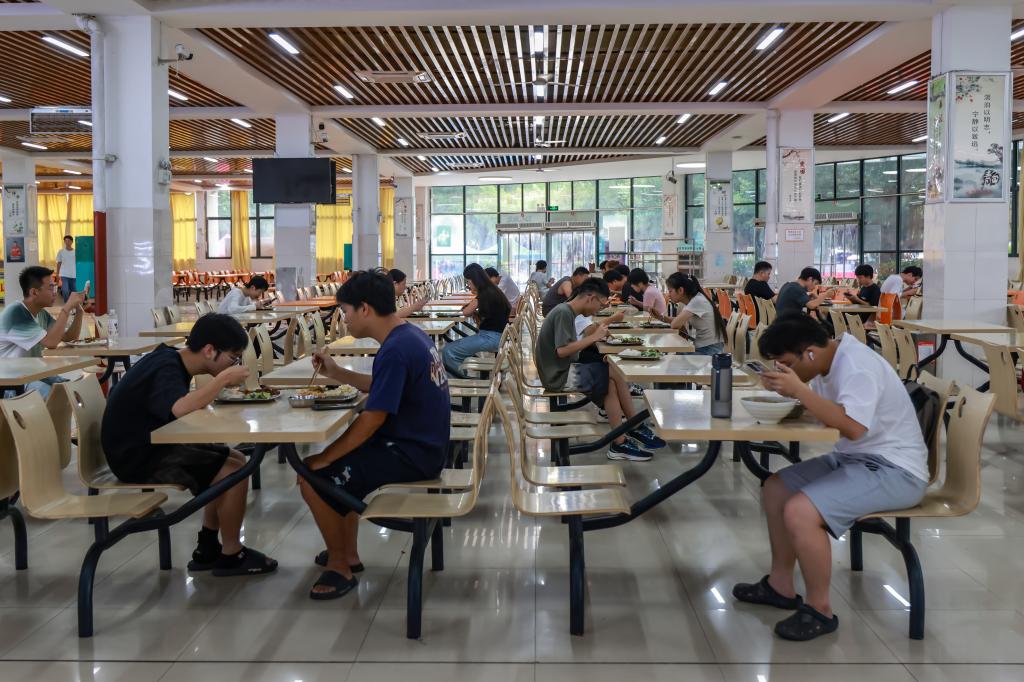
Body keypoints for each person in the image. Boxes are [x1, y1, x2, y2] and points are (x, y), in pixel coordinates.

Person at [733, 314, 928, 642]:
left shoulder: (857, 367)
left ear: (809, 353)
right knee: (776, 488)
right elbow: (831, 415)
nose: (784, 370)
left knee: (800, 511)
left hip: (895, 470)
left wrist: (800, 391)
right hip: (855, 458)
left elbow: (852, 427)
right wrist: (793, 393)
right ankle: (780, 585)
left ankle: (819, 609)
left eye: (786, 364)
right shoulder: (828, 363)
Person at [298, 270, 450, 599]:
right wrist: (338, 373)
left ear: (364, 308)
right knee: (336, 469)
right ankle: (348, 552)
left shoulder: (395, 349)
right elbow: (385, 386)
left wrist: (324, 457)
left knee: (312, 477)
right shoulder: (408, 335)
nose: (344, 319)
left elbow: (371, 420)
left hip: (413, 453)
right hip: (424, 444)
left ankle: (339, 565)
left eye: (346, 311)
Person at [102, 314, 278, 577]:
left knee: (236, 460)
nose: (234, 365)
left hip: (148, 446)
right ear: (209, 350)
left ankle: (207, 547)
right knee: (233, 472)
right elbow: (179, 408)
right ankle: (232, 553)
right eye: (232, 358)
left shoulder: (170, 359)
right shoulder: (167, 367)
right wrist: (221, 380)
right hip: (136, 458)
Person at [534, 277, 666, 462]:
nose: (598, 310)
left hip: (560, 371)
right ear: (590, 298)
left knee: (610, 381)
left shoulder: (567, 311)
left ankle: (620, 440)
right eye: (600, 304)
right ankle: (633, 426)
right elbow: (562, 351)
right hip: (557, 376)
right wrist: (594, 337)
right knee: (613, 371)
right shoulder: (564, 312)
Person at [443, 263, 511, 378]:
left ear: (475, 280)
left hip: (491, 338)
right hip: (498, 336)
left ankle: (461, 381)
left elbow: (466, 312)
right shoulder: (493, 290)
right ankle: (461, 376)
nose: (468, 286)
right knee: (454, 350)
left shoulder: (484, 294)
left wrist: (474, 297)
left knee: (448, 351)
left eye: (469, 282)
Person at [649, 273, 725, 355]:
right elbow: (678, 321)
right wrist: (661, 317)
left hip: (710, 350)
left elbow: (675, 324)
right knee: (673, 357)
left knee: (671, 358)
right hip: (706, 347)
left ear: (680, 290)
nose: (668, 295)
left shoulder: (696, 301)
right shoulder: (694, 300)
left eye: (670, 291)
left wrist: (676, 323)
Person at [55, 235, 76, 302]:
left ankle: (73, 303)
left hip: (73, 275)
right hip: (64, 274)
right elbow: (59, 263)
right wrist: (57, 274)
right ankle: (67, 303)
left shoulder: (76, 252)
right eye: (65, 241)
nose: (67, 242)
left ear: (72, 242)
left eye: (68, 241)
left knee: (74, 291)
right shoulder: (61, 251)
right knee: (65, 290)